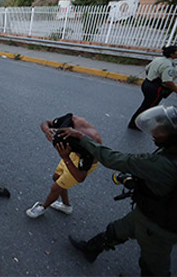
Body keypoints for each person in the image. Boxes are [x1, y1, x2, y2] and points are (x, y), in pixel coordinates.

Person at [64, 105, 177, 276]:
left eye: (161, 130)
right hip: (149, 214)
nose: (154, 131)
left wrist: (82, 137)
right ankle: (91, 249)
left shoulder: (161, 164)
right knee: (117, 230)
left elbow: (113, 159)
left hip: (158, 227)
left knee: (154, 268)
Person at [26, 113, 102, 218]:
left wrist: (66, 158)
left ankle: (43, 207)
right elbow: (46, 122)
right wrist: (47, 130)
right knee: (56, 177)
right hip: (70, 155)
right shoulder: (71, 121)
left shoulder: (90, 148)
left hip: (80, 164)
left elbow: (80, 177)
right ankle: (66, 206)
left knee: (56, 187)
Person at [128, 45, 177, 130]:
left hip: (147, 82)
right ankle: (136, 124)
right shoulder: (169, 65)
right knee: (148, 107)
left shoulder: (158, 59)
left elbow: (147, 69)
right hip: (155, 88)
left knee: (147, 105)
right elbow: (167, 81)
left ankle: (139, 123)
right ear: (172, 54)